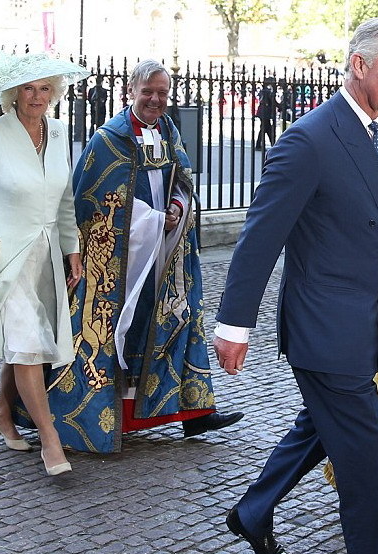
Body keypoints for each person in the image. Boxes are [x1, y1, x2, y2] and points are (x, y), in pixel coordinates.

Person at [214, 20, 378, 554]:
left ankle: (255, 511)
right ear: (358, 65)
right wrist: (235, 322)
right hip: (324, 331)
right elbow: (261, 235)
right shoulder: (308, 139)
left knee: (317, 427)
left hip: (365, 324)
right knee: (368, 466)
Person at [42, 59, 243, 454]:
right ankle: (95, 416)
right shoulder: (108, 139)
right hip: (119, 262)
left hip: (165, 256)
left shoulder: (168, 131)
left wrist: (176, 208)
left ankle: (193, 412)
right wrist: (152, 220)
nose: (155, 99)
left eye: (162, 93)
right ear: (129, 92)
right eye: (147, 91)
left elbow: (182, 181)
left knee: (178, 320)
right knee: (109, 332)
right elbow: (94, 202)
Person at [0, 51, 88, 476]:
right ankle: (50, 440)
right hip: (3, 259)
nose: (37, 96)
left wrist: (72, 248)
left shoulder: (60, 133)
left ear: (55, 92)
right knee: (27, 341)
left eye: (45, 88)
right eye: (28, 87)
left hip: (44, 257)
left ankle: (2, 414)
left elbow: (64, 201)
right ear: (13, 92)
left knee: (23, 342)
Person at [254, 77, 276, 150]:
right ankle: (273, 145)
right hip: (265, 113)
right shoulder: (268, 91)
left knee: (265, 129)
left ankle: (272, 144)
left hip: (262, 112)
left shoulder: (263, 90)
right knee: (265, 129)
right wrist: (281, 106)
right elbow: (272, 101)